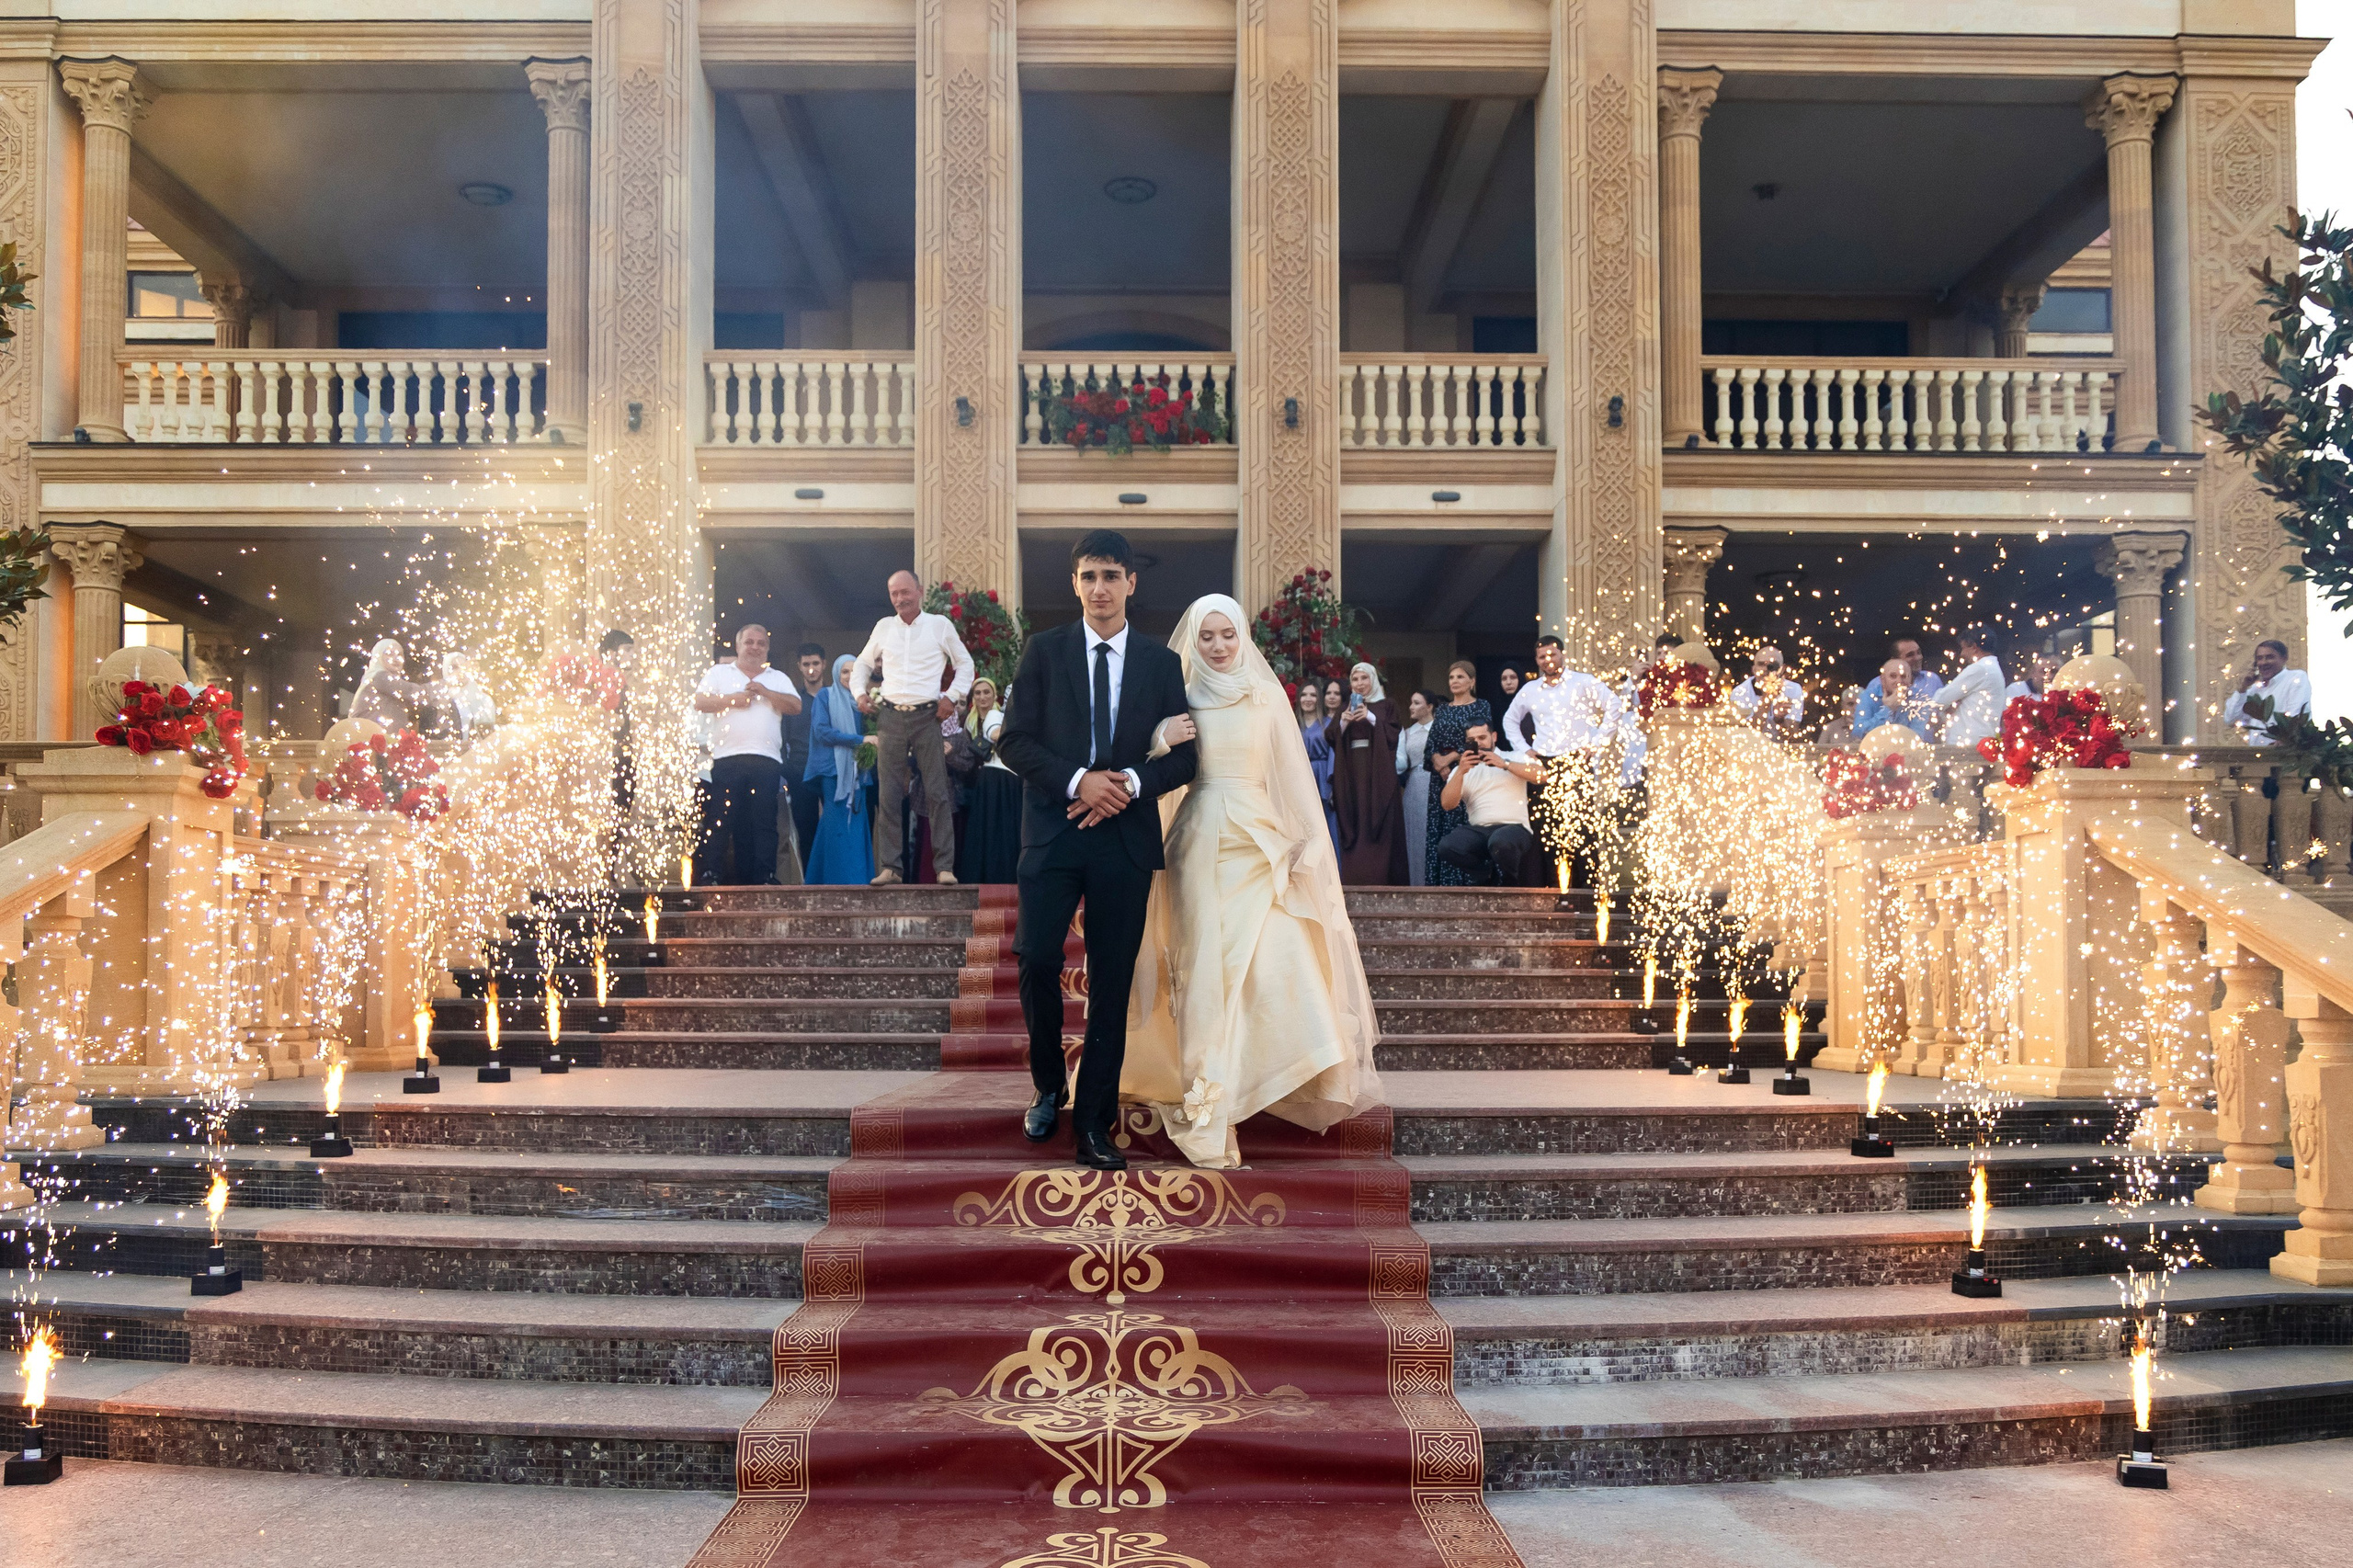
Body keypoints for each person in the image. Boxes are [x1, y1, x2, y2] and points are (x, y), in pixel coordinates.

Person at [1123, 595, 1381, 1169]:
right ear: (1193, 641)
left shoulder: (1267, 697)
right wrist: (1160, 740)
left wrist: (1307, 842)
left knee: (1276, 954)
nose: (1218, 646)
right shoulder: (1179, 697)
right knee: (1205, 967)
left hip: (1259, 841)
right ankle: (1208, 1100)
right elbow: (1152, 770)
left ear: (1242, 637)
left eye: (1228, 634)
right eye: (1207, 636)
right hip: (1197, 842)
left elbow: (1290, 776)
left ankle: (1272, 1079)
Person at [996, 530, 1198, 1172]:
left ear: (1131, 582)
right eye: (1089, 576)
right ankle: (1048, 1085)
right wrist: (1079, 781)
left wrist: (1128, 784)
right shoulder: (1044, 650)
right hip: (1053, 832)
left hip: (1124, 841)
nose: (1100, 588)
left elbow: (1187, 759)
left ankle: (1093, 1122)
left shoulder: (1160, 663)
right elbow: (1013, 741)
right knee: (1035, 956)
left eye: (1111, 575)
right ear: (1074, 583)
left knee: (1111, 981)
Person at [852, 569, 975, 885]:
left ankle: (944, 867)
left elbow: (965, 664)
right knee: (889, 793)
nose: (899, 599)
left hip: (927, 716)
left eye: (905, 592)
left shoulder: (939, 625)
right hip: (890, 715)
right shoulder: (884, 626)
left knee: (937, 791)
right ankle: (891, 868)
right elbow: (863, 662)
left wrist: (952, 697)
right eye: (894, 594)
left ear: (919, 591)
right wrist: (860, 693)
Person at [1496, 635, 1623, 886]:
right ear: (1536, 660)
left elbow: (1615, 705)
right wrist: (1525, 750)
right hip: (1544, 764)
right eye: (1542, 657)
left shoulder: (1583, 681)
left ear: (1562, 654)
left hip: (1577, 760)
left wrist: (1597, 742)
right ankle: (1551, 889)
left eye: (1552, 654)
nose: (1548, 660)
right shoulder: (1530, 689)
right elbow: (1509, 720)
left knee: (1582, 828)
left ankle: (1586, 890)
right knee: (1547, 830)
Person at [691, 625, 802, 887]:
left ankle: (765, 877)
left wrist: (765, 692)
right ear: (738, 645)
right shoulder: (719, 673)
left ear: (767, 648)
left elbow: (795, 706)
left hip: (766, 760)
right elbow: (700, 702)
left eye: (761, 643)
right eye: (749, 642)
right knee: (720, 818)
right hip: (727, 758)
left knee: (764, 821)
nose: (755, 647)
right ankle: (711, 873)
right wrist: (733, 699)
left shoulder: (777, 677)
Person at [1325, 661, 1407, 884]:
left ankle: (1382, 879)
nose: (1360, 683)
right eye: (1355, 679)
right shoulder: (1345, 708)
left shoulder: (1387, 705)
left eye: (1364, 678)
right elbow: (1331, 736)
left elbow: (1393, 734)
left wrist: (1370, 717)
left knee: (1381, 823)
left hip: (1378, 776)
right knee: (1353, 820)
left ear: (1373, 680)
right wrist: (1343, 723)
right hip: (1352, 776)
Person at [1435, 720, 1545, 884]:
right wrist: (1461, 771)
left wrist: (1504, 764)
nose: (1478, 743)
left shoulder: (1514, 756)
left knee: (1501, 842)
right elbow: (1447, 804)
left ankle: (1509, 883)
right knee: (1447, 846)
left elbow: (1542, 776)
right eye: (1472, 740)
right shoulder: (1462, 769)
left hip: (1515, 828)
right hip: (1479, 831)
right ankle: (1487, 876)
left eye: (1482, 737)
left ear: (1494, 737)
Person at [804, 655, 876, 885]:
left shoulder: (863, 703)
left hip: (859, 771)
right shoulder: (825, 696)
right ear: (836, 674)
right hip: (833, 771)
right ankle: (836, 881)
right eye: (845, 671)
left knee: (856, 826)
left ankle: (853, 879)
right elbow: (822, 732)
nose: (849, 676)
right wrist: (860, 740)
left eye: (854, 672)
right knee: (836, 825)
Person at [1424, 660, 1494, 887]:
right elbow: (1431, 743)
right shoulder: (1443, 709)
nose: (1454, 681)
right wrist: (1439, 762)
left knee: (1462, 827)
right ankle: (1439, 884)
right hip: (1440, 779)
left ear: (1472, 681)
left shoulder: (1481, 706)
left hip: (1467, 773)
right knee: (1440, 828)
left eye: (1460, 677)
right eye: (1452, 677)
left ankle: (1467, 881)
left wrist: (1452, 759)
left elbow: (1480, 739)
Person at [956, 676, 1022, 884]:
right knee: (991, 831)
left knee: (1006, 831)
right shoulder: (992, 716)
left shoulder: (1014, 718)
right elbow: (995, 735)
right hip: (992, 779)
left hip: (1010, 780)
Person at [779, 642, 824, 867]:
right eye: (806, 664)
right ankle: (811, 881)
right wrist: (787, 769)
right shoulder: (793, 701)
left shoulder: (832, 697)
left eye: (815, 663)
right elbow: (781, 738)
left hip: (830, 772)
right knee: (806, 831)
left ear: (824, 664)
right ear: (799, 666)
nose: (811, 669)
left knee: (834, 831)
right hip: (800, 772)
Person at [1930, 626, 2007, 748]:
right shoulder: (1993, 669)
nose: (1962, 654)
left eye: (1963, 648)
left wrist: (1951, 702)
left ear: (1974, 647)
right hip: (1981, 743)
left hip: (1967, 746)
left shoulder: (1980, 668)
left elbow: (1939, 700)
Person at [2223, 639, 2312, 745]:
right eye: (2259, 658)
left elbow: (2297, 714)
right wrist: (2242, 688)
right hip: (2258, 753)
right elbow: (2230, 719)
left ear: (2284, 658)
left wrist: (2285, 740)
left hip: (2285, 751)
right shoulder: (2255, 689)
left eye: (2270, 657)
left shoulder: (2295, 678)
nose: (2264, 662)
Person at [350, 639, 438, 730]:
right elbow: (415, 692)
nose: (396, 658)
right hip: (368, 736)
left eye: (399, 654)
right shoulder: (380, 677)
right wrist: (443, 685)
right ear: (379, 656)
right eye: (389, 654)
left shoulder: (381, 679)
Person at [1396, 689, 1435, 887]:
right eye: (1411, 702)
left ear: (1429, 707)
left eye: (1417, 703)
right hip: (1414, 785)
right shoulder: (1407, 732)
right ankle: (1416, 883)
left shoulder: (1439, 728)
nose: (1411, 707)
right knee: (1415, 834)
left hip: (1436, 783)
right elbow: (1400, 763)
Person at [1299, 679, 1339, 854]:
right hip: (1300, 777)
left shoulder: (1329, 723)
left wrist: (1332, 783)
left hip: (1323, 776)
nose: (1308, 699)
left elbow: (1334, 753)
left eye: (1313, 695)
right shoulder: (1293, 725)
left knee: (1326, 826)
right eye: (1304, 695)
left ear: (1319, 699)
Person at [1730, 645, 1805, 735]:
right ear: (1754, 669)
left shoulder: (1793, 689)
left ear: (1782, 669)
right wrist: (1766, 701)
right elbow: (1746, 734)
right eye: (1761, 664)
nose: (1766, 669)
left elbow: (1792, 736)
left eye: (1772, 665)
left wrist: (1779, 720)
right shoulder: (1740, 692)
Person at [1852, 658, 1934, 741]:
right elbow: (1858, 733)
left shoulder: (1919, 699)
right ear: (1883, 680)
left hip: (1905, 748)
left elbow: (1916, 737)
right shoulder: (1868, 696)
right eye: (1893, 676)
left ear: (1910, 680)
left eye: (1903, 676)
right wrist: (1888, 709)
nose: (1899, 681)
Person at [440, 652, 495, 744]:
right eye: (454, 667)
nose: (460, 671)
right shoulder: (441, 703)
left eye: (464, 667)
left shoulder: (485, 700)